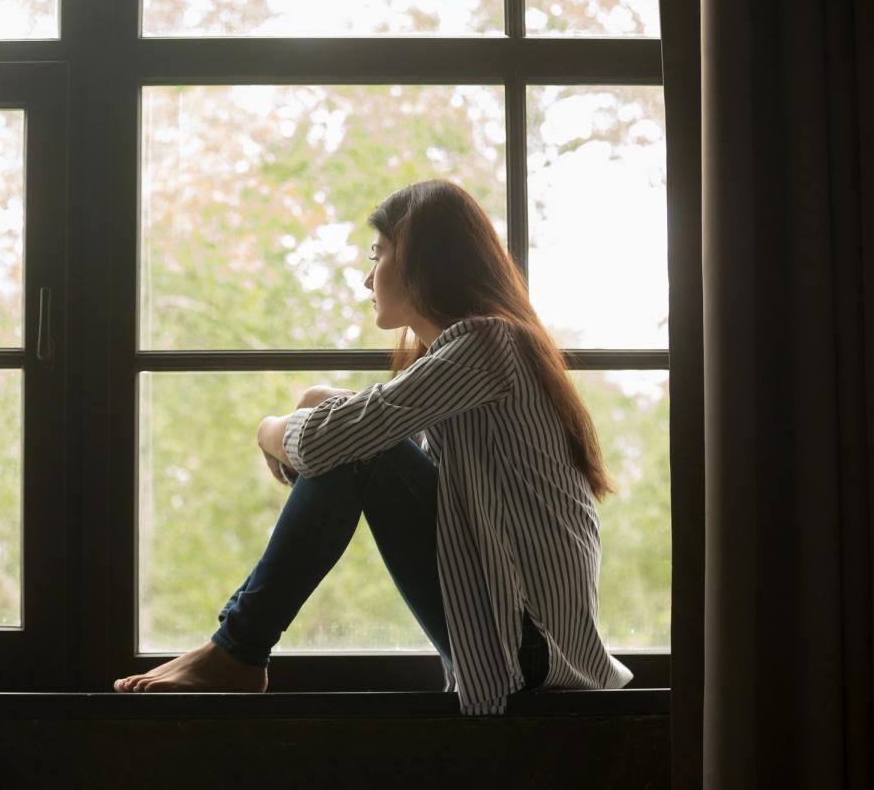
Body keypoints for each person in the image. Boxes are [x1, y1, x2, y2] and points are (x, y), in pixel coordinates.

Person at [113, 178, 634, 714]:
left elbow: (333, 444)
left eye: (378, 254)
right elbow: (370, 437)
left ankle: (237, 651)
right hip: (519, 647)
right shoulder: (486, 354)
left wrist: (269, 428)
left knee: (359, 448)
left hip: (529, 653)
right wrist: (317, 403)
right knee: (356, 442)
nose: (367, 278)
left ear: (420, 260)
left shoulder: (487, 343)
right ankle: (235, 650)